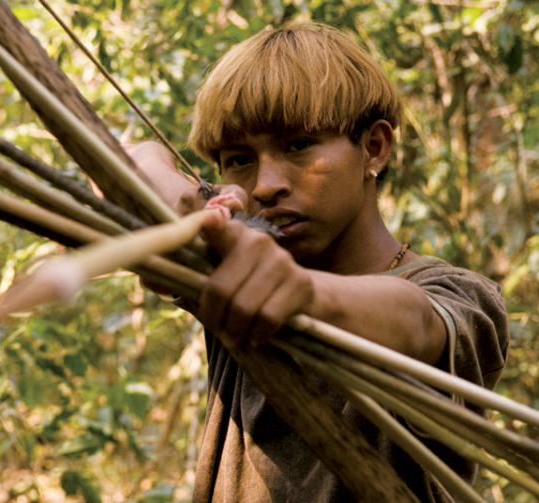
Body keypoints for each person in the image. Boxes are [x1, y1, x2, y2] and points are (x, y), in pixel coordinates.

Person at [125, 21, 509, 502]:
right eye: (239, 159)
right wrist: (188, 203)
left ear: (374, 148)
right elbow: (127, 159)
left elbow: (417, 323)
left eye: (298, 145)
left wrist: (303, 294)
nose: (264, 185)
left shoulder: (461, 296)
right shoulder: (229, 265)